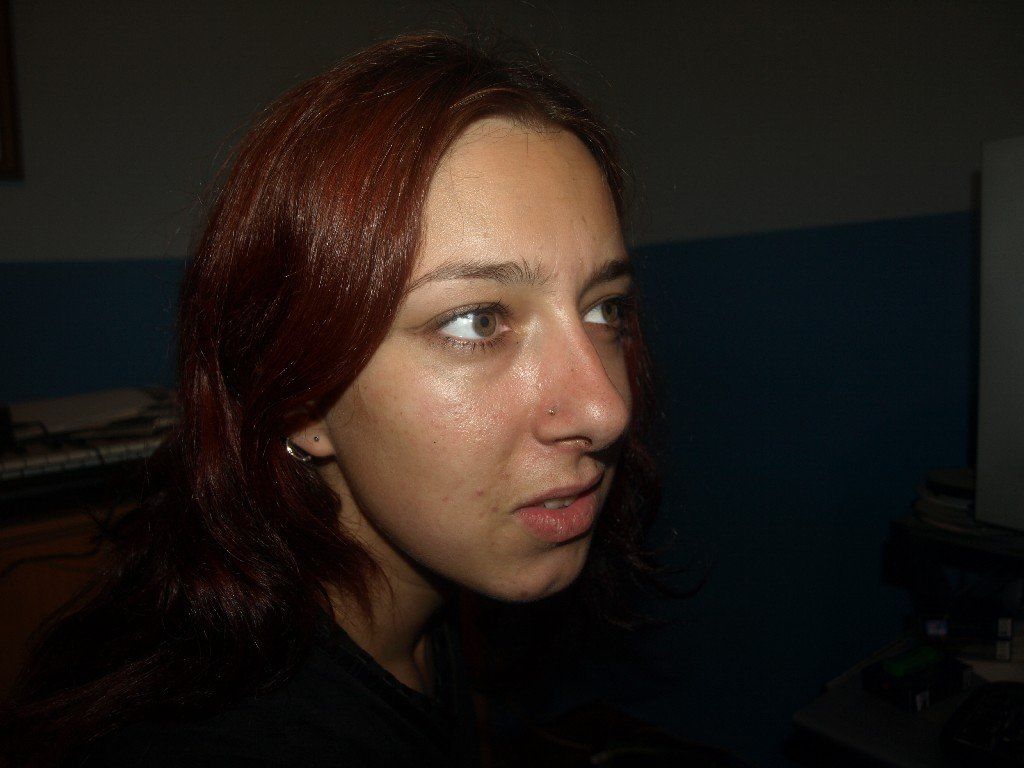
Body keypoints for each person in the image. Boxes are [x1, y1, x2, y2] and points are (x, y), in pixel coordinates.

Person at [1, 32, 661, 767]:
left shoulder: (419, 606)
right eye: (477, 322)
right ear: (301, 397)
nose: (606, 410)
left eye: (605, 308)